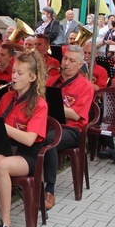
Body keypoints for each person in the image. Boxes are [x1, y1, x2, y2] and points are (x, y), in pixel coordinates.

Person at [0, 50, 48, 227]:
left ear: (32, 77)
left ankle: (5, 223)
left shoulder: (39, 104)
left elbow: (29, 139)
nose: (13, 76)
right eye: (13, 71)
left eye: (19, 73)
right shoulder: (7, 97)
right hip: (6, 149)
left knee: (1, 167)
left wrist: (2, 126)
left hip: (27, 155)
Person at [42, 45, 93, 210]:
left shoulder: (86, 86)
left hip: (72, 129)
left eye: (72, 61)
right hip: (48, 124)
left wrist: (49, 107)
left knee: (50, 141)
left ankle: (49, 188)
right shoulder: (51, 80)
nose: (67, 63)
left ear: (80, 65)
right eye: (65, 59)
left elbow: (76, 115)